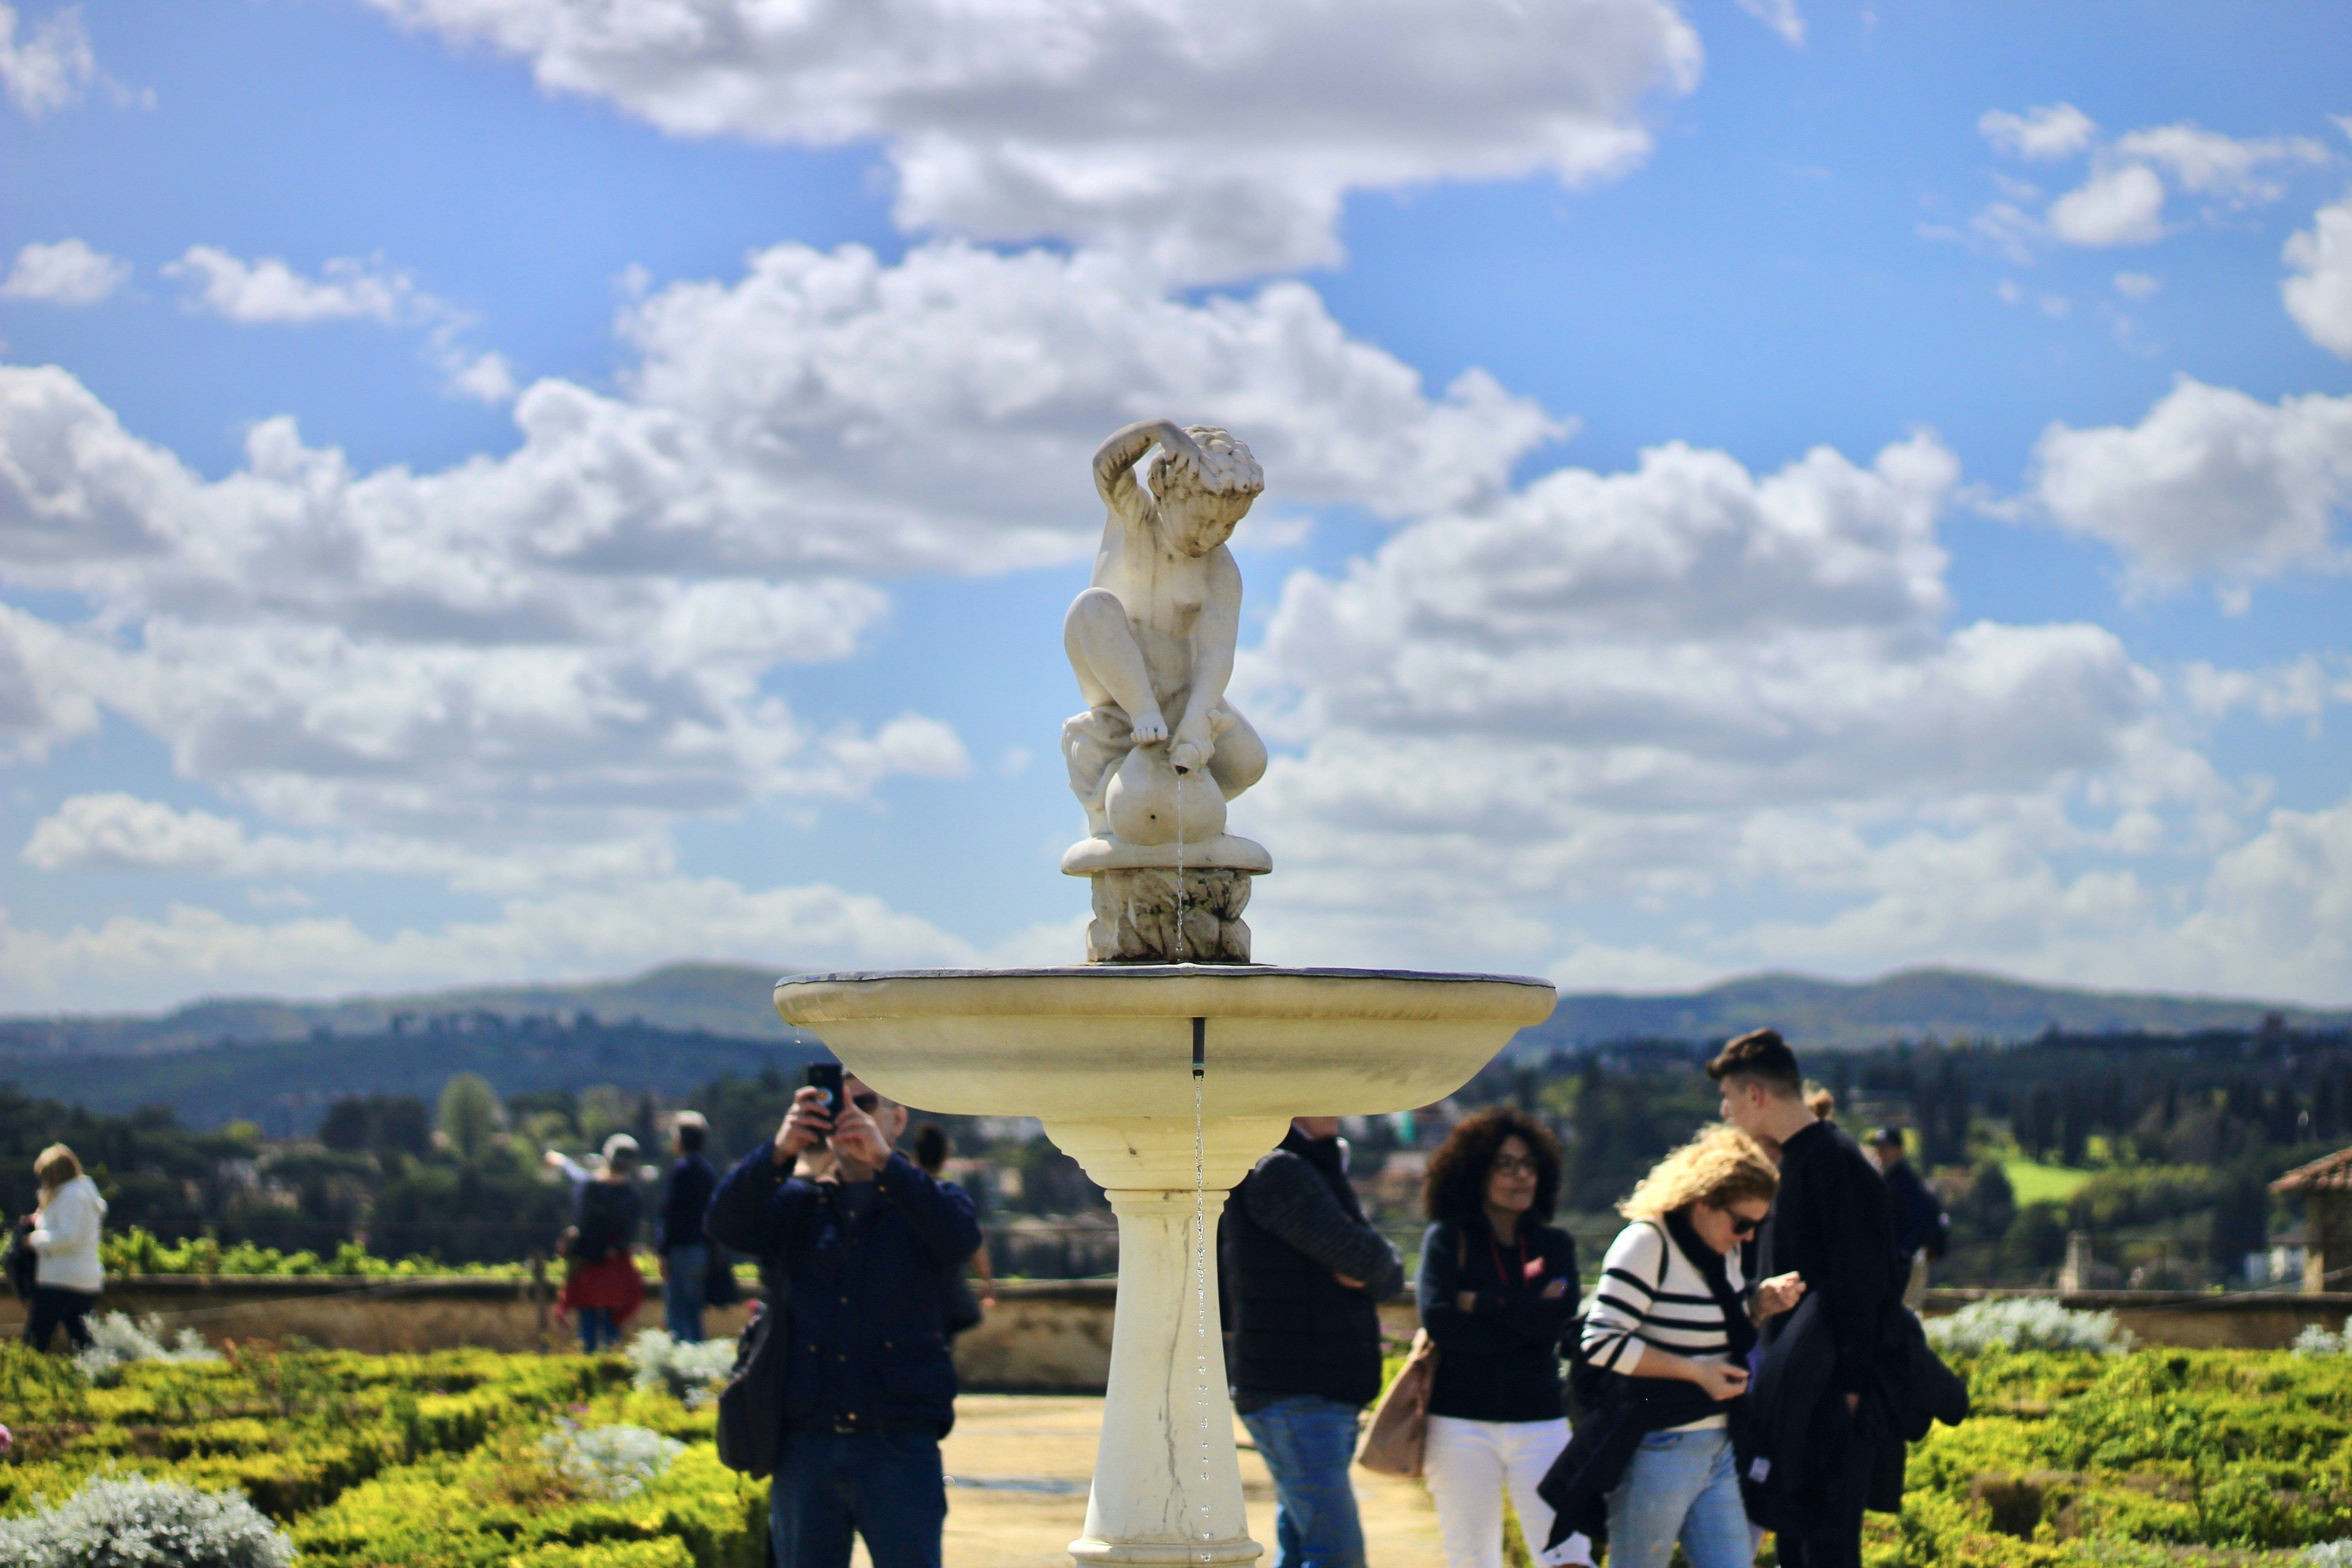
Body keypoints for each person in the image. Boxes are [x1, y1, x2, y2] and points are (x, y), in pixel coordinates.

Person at [706, 1073, 979, 1568]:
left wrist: (883, 1164)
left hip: (898, 1443)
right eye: (839, 1103)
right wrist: (780, 1150)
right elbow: (724, 1223)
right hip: (807, 1446)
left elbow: (961, 1238)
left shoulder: (928, 1203)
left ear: (898, 1119)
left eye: (867, 1103)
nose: (852, 1115)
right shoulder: (799, 1207)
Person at [1541, 1126, 1805, 1568]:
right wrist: (1696, 1372)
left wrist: (1758, 1305)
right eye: (1742, 1224)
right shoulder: (1648, 1242)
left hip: (1718, 1444)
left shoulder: (1723, 1250)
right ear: (1703, 1202)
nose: (1747, 1237)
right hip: (1656, 1445)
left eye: (1757, 1228)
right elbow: (1601, 1341)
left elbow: (1712, 1330)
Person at [1712, 1029, 1899, 1568]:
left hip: (1830, 1398)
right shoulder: (1797, 1162)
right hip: (1799, 1393)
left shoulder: (1835, 1162)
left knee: (1826, 1551)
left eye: (1729, 1099)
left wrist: (1850, 1392)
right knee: (1797, 1544)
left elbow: (1866, 1287)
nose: (1726, 1113)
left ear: (1756, 1095)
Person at [1222, 1115, 1404, 1568]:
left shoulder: (1311, 1164)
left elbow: (1371, 1269)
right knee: (1338, 1555)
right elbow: (1373, 1264)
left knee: (1305, 1548)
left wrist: (1363, 1266)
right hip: (1296, 1391)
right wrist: (1362, 1264)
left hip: (1311, 1391)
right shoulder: (1281, 1168)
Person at [1415, 1108, 1581, 1568]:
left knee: (1570, 1555)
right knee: (1472, 1559)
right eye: (1505, 1164)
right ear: (1475, 1172)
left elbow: (1558, 1320)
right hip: (1460, 1425)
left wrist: (1482, 1305)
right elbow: (1440, 1321)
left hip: (1542, 1422)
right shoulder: (1447, 1241)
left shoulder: (1556, 1247)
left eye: (1529, 1164)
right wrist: (1527, 1311)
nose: (1521, 1176)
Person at [549, 1133, 647, 1352]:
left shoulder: (589, 1186)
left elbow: (575, 1175)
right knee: (611, 1321)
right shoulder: (632, 1195)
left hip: (588, 1263)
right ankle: (609, 1365)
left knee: (588, 1320)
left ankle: (591, 1367)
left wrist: (562, 1161)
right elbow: (629, 1234)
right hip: (615, 1265)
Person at [23, 1145, 105, 1353]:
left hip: (61, 1280)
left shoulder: (71, 1196)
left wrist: (34, 1240)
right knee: (84, 1341)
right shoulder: (81, 1193)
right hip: (82, 1279)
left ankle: (28, 1380)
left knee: (35, 1340)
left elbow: (68, 1236)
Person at [913, 1123, 995, 1324]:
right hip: (950, 1301)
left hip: (912, 1300)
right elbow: (975, 1242)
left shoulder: (907, 1195)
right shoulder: (953, 1198)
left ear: (915, 1156)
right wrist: (987, 1283)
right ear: (945, 1157)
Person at [658, 1112, 720, 1343]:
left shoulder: (681, 1170)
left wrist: (664, 1250)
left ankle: (682, 1370)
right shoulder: (708, 1172)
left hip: (682, 1249)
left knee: (677, 1315)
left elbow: (671, 1214)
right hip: (702, 1250)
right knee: (694, 1313)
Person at [1867, 1128, 1943, 1313]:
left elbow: (1923, 1221)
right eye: (1879, 1147)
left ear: (1898, 1150)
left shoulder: (1904, 1181)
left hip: (1910, 1260)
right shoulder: (1893, 1178)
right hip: (1901, 1259)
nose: (1880, 1151)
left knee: (1907, 1312)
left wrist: (1904, 1252)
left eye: (1886, 1147)